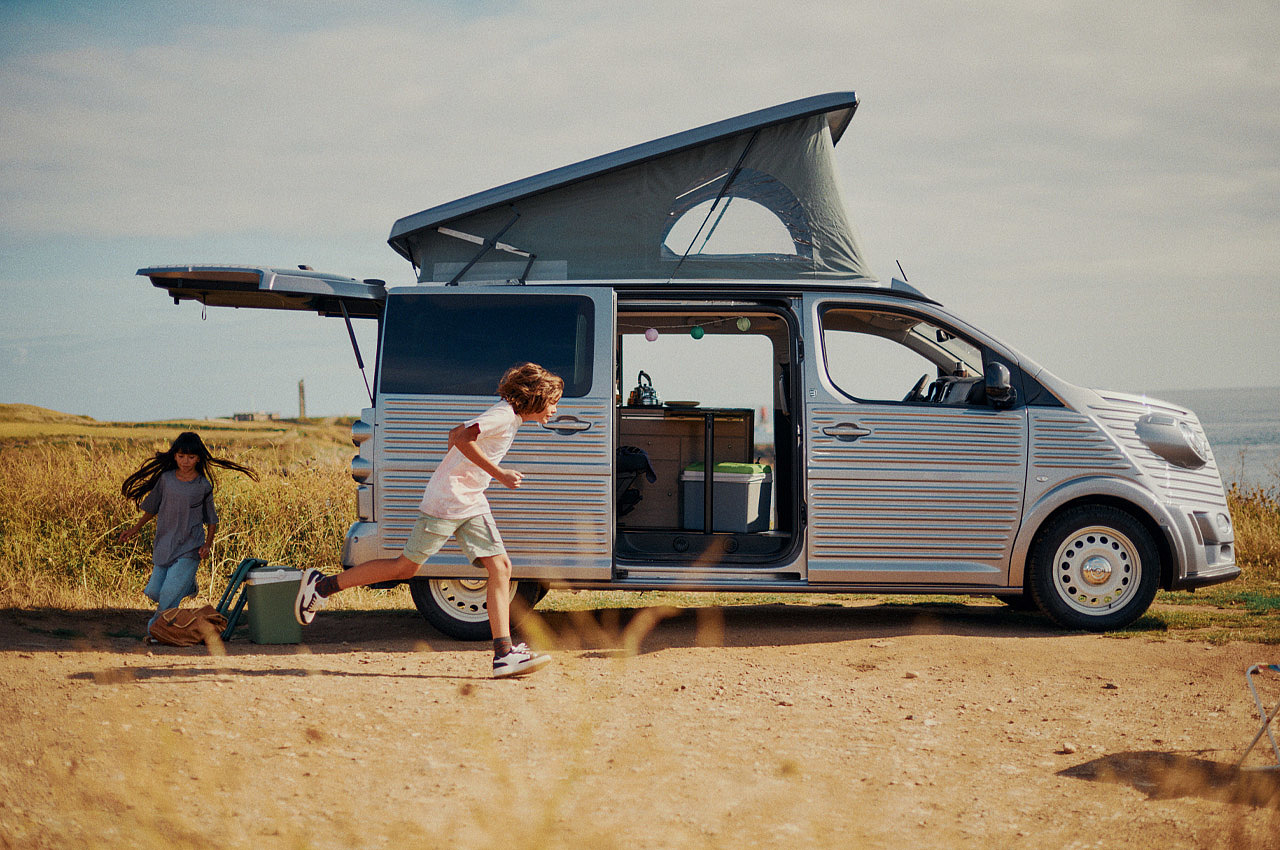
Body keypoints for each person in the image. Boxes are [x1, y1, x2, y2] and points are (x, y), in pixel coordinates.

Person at [295, 362, 561, 679]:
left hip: (466, 499)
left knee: (500, 567)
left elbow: (453, 435)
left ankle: (504, 654)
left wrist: (462, 470)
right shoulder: (503, 415)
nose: (554, 410)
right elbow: (462, 438)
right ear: (537, 396)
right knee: (405, 568)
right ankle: (321, 586)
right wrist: (498, 473)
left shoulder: (507, 416)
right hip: (449, 501)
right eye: (553, 402)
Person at [118, 431, 258, 629]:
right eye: (181, 456)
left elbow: (211, 520)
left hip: (190, 547)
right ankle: (189, 585)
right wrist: (135, 529)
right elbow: (151, 508)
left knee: (168, 595)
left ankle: (156, 628)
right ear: (174, 456)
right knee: (153, 592)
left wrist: (207, 545)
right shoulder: (166, 480)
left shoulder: (202, 485)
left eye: (191, 457)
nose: (185, 461)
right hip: (165, 544)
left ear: (198, 458)